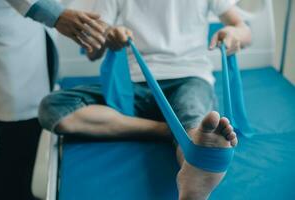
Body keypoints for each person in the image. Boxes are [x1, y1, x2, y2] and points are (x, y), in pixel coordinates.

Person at [38, 0, 251, 199]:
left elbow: (244, 31)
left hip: (189, 76)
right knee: (53, 107)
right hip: (133, 84)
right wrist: (110, 38)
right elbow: (92, 52)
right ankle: (173, 132)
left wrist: (235, 33)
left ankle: (195, 168)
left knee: (193, 114)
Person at [0, 0, 105, 199]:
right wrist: (56, 15)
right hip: (8, 50)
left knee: (27, 141)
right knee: (14, 146)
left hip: (32, 43)